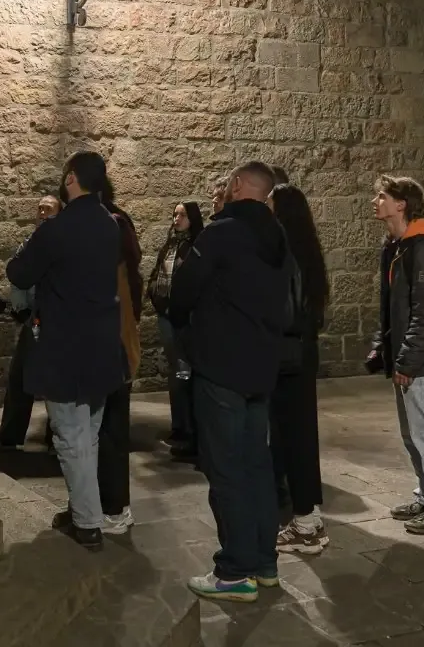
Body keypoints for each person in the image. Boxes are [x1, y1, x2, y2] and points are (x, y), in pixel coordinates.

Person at [169, 161, 293, 603]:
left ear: (239, 186)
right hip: (260, 368)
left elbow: (181, 291)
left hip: (221, 366)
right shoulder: (277, 237)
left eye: (226, 183)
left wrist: (186, 327)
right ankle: (264, 562)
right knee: (256, 466)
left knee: (225, 469)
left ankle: (235, 571)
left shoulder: (221, 232)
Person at [6, 151, 127, 551]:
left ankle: (88, 524)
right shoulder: (112, 225)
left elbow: (20, 272)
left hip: (67, 346)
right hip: (103, 344)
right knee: (87, 434)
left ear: (71, 178)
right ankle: (82, 509)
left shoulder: (58, 228)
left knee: (70, 436)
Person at [368, 175, 424, 536]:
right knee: (412, 435)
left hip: (422, 358)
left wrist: (407, 360)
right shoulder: (396, 245)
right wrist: (382, 344)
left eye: (382, 196)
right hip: (406, 357)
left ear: (401, 203)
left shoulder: (423, 247)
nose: (375, 201)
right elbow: (391, 306)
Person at [268, 184, 330, 555]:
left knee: (295, 440)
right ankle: (310, 514)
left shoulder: (287, 254)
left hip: (288, 356)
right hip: (301, 354)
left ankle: (305, 525)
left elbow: (286, 313)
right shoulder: (307, 252)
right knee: (300, 437)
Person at [0, 194, 60, 450]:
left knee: (55, 380)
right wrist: (21, 308)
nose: (41, 213)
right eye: (39, 208)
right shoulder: (30, 243)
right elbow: (18, 277)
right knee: (19, 378)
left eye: (48, 209)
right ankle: (9, 434)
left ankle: (56, 436)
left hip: (55, 320)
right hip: (33, 318)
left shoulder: (63, 243)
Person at [98, 178, 144, 535]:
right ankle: (99, 503)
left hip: (111, 337)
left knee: (111, 428)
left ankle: (114, 506)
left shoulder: (114, 224)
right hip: (104, 336)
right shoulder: (112, 224)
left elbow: (128, 283)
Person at [147, 202, 204, 459]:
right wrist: (158, 301)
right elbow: (157, 276)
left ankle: (191, 428)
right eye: (175, 214)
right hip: (167, 316)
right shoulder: (169, 246)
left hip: (185, 319)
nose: (177, 218)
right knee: (177, 372)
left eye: (182, 214)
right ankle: (179, 425)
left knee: (185, 371)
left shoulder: (196, 247)